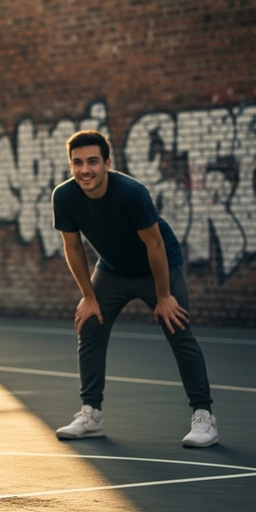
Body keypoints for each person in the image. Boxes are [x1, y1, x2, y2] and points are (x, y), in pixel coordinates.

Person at [51, 129, 218, 448]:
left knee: (177, 329)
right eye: (77, 163)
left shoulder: (131, 192)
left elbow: (154, 244)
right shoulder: (65, 196)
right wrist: (88, 297)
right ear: (71, 165)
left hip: (157, 266)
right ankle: (91, 415)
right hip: (112, 269)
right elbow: (73, 248)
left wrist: (165, 296)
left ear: (107, 163)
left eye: (93, 162)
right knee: (89, 325)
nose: (85, 169)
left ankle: (204, 416)